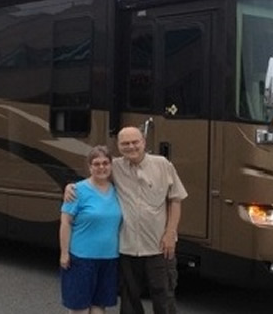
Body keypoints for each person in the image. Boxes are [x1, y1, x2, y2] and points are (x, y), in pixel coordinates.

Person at [65, 126, 188, 314]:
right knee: (129, 299)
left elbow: (175, 200)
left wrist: (170, 233)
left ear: (144, 142)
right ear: (119, 147)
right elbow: (96, 175)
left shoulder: (162, 165)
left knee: (164, 296)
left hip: (158, 246)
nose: (131, 147)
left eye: (135, 142)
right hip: (127, 248)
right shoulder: (116, 167)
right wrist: (71, 186)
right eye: (125, 144)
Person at [60, 145, 122, 314]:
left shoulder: (117, 191)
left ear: (111, 165)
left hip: (109, 258)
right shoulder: (77, 191)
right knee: (79, 307)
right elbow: (66, 223)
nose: (101, 167)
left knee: (99, 306)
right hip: (81, 259)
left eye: (105, 163)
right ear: (89, 167)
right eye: (96, 164)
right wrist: (64, 253)